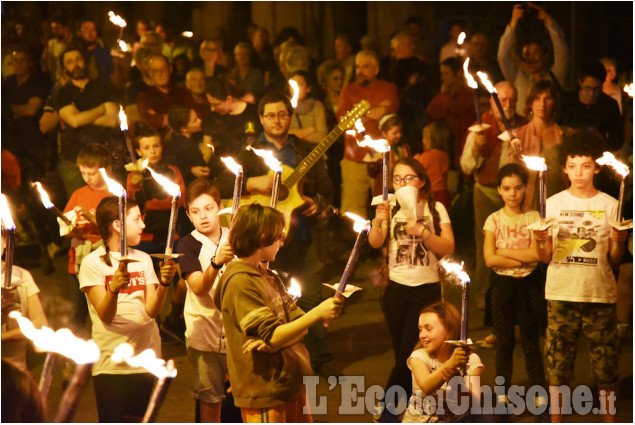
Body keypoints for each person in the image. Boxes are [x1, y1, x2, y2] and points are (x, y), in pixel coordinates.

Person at [217, 91, 336, 377]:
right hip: (264, 242)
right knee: (271, 299)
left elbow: (328, 190)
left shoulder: (307, 150)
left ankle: (317, 360)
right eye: (270, 115)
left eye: (282, 114)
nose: (277, 120)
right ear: (260, 119)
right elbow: (222, 185)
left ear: (290, 116)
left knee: (311, 298)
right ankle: (274, 355)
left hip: (304, 237)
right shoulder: (248, 153)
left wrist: (316, 204)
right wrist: (258, 182)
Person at [213, 203, 343, 422]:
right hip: (265, 389)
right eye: (279, 236)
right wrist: (317, 313)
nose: (283, 241)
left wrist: (280, 341)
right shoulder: (240, 282)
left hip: (288, 383)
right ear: (263, 236)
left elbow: (298, 325)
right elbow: (273, 333)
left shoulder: (268, 276)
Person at [533, 130, 627, 423]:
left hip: (599, 292)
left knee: (606, 368)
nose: (578, 172)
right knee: (558, 368)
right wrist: (539, 240)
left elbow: (613, 260)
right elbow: (545, 257)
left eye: (585, 165)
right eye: (572, 165)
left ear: (596, 167)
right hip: (561, 293)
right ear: (564, 167)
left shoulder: (611, 205)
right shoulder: (552, 203)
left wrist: (620, 241)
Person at [368, 158, 455, 422]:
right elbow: (375, 243)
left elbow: (448, 246)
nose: (402, 184)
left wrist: (424, 233)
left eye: (408, 178)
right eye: (397, 179)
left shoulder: (434, 208)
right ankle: (410, 406)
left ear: (422, 181)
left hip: (426, 289)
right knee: (402, 353)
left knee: (412, 351)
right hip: (396, 290)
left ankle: (389, 411)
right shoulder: (390, 207)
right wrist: (377, 221)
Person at [77, 196, 177, 422]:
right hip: (111, 363)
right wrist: (113, 288)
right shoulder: (93, 263)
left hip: (146, 356)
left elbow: (152, 311)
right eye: (137, 219)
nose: (143, 225)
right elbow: (105, 315)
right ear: (117, 225)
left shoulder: (143, 259)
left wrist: (164, 284)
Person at [460, 81, 528, 313]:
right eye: (501, 99)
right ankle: (483, 292)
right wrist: (477, 150)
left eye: (511, 99)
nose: (507, 104)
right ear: (492, 101)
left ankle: (517, 290)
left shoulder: (523, 126)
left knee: (516, 242)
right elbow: (467, 167)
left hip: (517, 195)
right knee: (485, 246)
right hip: (487, 191)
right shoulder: (480, 127)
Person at [482, 164, 546, 411]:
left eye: (518, 188)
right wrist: (524, 255)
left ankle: (539, 391)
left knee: (531, 342)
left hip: (529, 285)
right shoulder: (493, 220)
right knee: (505, 342)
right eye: (507, 188)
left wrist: (504, 251)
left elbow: (537, 255)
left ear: (525, 188)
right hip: (503, 287)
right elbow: (490, 259)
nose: (512, 193)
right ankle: (502, 393)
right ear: (499, 190)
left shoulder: (533, 218)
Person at [177, 179, 234, 422]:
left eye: (209, 208)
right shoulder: (187, 244)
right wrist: (216, 262)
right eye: (196, 211)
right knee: (210, 400)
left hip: (237, 335)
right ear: (188, 215)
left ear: (220, 207)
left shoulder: (236, 237)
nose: (203, 216)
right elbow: (199, 288)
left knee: (240, 399)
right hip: (205, 336)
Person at [53, 44, 122, 198]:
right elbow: (74, 122)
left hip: (105, 158)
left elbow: (112, 120)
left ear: (85, 61)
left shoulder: (104, 87)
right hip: (74, 162)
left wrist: (82, 116)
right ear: (64, 67)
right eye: (69, 62)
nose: (75, 64)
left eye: (78, 59)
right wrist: (100, 110)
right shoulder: (62, 93)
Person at [62, 143, 117, 337]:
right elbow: (65, 226)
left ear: (107, 169)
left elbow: (118, 228)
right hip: (77, 260)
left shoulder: (113, 194)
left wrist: (93, 217)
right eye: (83, 172)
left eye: (91, 173)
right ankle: (75, 362)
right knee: (76, 312)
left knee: (103, 309)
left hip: (104, 261)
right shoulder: (78, 194)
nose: (86, 177)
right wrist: (70, 227)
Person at [337, 49, 399, 218]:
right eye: (357, 67)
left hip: (383, 159)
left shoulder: (389, 89)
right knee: (352, 212)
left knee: (387, 209)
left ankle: (384, 243)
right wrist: (374, 110)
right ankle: (354, 243)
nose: (360, 71)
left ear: (376, 69)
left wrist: (358, 112)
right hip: (354, 159)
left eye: (365, 66)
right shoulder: (348, 91)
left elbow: (388, 113)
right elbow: (344, 122)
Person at [402, 302, 483, 423]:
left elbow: (474, 402)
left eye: (429, 329)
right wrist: (450, 365)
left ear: (449, 330)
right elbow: (426, 387)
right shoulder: (419, 356)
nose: (422, 335)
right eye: (420, 329)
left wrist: (457, 383)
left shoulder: (471, 361)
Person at [497, 3, 570, 116]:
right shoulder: (516, 76)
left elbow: (562, 52)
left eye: (535, 54)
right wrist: (513, 23)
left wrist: (548, 20)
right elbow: (502, 56)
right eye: (526, 55)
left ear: (545, 56)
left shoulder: (555, 76)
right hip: (521, 129)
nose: (530, 58)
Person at [126, 124, 186, 254]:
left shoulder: (172, 170)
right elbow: (133, 204)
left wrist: (150, 204)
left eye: (156, 146)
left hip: (171, 232)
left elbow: (180, 200)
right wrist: (134, 186)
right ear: (138, 151)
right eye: (146, 148)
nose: (152, 151)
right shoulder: (134, 175)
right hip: (145, 237)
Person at [511, 79, 566, 212]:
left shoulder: (564, 134)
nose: (542, 104)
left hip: (560, 198)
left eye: (547, 98)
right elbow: (514, 174)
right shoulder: (520, 135)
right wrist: (515, 156)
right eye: (537, 98)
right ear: (530, 103)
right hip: (532, 201)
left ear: (554, 103)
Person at [1, 229, 48, 372]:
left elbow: (40, 324)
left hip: (17, 372)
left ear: (5, 242)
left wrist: (3, 338)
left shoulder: (21, 275)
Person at [426, 57, 476, 171]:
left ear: (457, 74)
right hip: (448, 144)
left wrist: (445, 96)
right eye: (441, 73)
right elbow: (431, 112)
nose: (442, 77)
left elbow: (456, 109)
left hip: (462, 140)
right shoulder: (446, 93)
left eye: (446, 73)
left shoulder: (467, 93)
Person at [561, 61, 623, 152]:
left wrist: (599, 138)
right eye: (587, 88)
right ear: (580, 82)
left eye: (597, 89)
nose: (592, 93)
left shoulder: (609, 105)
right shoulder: (566, 101)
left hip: (598, 153)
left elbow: (617, 142)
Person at [137, 54, 189, 135]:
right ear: (150, 74)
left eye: (163, 69)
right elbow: (151, 120)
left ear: (170, 69)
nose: (160, 73)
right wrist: (180, 118)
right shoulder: (144, 97)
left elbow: (191, 117)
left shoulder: (182, 92)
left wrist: (162, 117)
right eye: (155, 70)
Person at [164, 105, 208, 186]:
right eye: (195, 121)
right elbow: (203, 167)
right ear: (184, 129)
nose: (200, 120)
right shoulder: (187, 145)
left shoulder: (172, 139)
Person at [415, 122, 451, 211]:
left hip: (430, 194)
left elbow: (416, 171)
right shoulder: (445, 156)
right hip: (444, 193)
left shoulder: (426, 156)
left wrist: (415, 160)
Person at [288, 70, 328, 144]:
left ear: (308, 88)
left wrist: (296, 136)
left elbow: (321, 136)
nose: (295, 88)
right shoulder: (284, 107)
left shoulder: (316, 106)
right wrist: (310, 130)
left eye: (299, 84)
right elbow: (284, 135)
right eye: (293, 85)